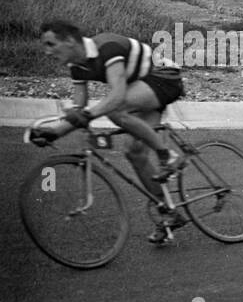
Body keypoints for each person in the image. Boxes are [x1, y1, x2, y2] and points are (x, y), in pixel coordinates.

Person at [32, 21, 186, 244]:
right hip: (143, 88)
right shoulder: (77, 66)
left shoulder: (107, 47)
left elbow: (117, 95)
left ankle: (168, 156)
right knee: (134, 152)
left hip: (164, 77)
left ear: (69, 41)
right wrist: (54, 132)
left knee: (116, 108)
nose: (47, 51)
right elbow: (79, 109)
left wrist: (84, 116)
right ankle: (170, 213)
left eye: (50, 44)